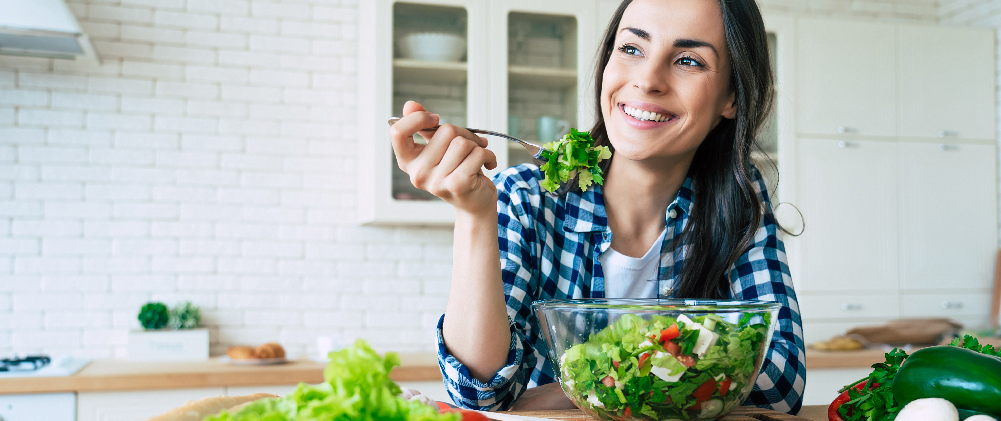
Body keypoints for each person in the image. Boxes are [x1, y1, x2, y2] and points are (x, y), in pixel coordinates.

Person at [388, 0, 805, 415]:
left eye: (688, 60)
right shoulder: (523, 197)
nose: (647, 80)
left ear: (731, 96)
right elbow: (480, 396)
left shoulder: (739, 200)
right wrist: (474, 214)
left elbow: (784, 382)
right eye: (632, 49)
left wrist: (579, 388)